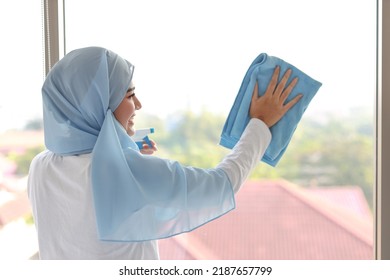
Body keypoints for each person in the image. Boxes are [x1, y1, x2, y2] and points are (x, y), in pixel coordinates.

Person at [27, 46, 302, 259]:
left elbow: (84, 193)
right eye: (128, 94)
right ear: (98, 106)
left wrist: (127, 147)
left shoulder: (40, 167)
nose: (138, 104)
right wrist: (260, 124)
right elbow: (222, 184)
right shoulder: (129, 172)